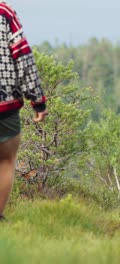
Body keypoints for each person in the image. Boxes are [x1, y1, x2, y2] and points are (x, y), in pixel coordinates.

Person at [0, 1, 47, 221]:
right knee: (5, 161)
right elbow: (24, 58)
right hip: (4, 106)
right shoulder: (4, 13)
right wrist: (38, 101)